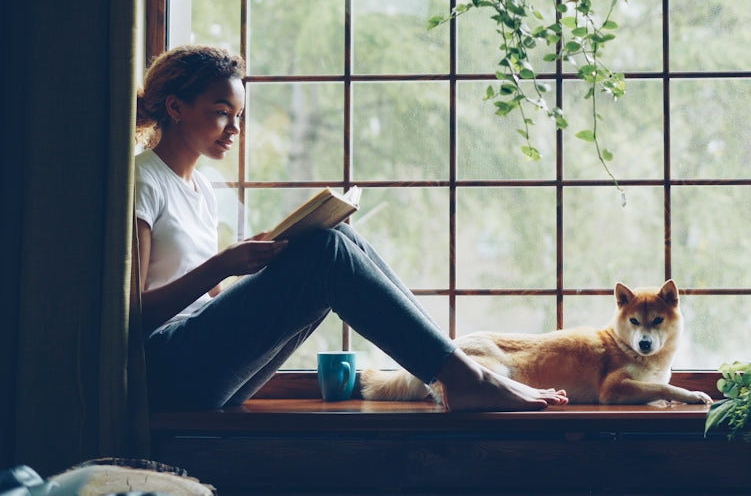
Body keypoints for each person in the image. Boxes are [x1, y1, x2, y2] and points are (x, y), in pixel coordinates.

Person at [133, 44, 568, 411]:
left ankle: (454, 371)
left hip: (204, 365)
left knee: (336, 237)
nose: (236, 129)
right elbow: (131, 316)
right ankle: (462, 376)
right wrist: (223, 264)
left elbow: (209, 306)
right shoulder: (141, 181)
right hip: (167, 373)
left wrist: (260, 270)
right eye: (222, 112)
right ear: (175, 107)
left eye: (240, 115)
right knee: (326, 253)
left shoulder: (202, 189)